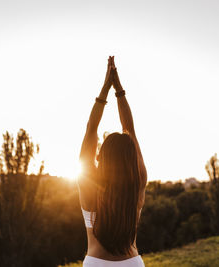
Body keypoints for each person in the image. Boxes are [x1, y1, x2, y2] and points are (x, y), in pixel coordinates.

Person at [78, 56, 147, 267]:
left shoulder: (89, 185)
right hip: (132, 263)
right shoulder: (137, 184)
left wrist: (105, 89)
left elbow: (91, 129)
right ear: (131, 157)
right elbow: (131, 130)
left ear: (102, 155)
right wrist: (119, 90)